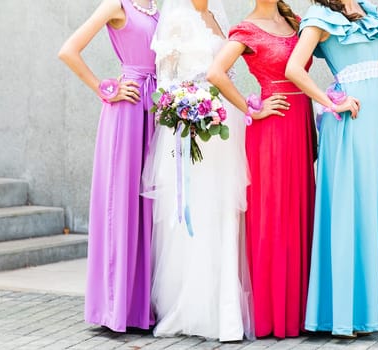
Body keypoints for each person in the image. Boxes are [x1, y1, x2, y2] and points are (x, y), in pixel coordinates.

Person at [285, 0, 378, 338]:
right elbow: (294, 68)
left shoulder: (371, 13)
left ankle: (373, 307)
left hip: (376, 127)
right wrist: (331, 102)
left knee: (373, 207)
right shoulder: (320, 16)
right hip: (349, 123)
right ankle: (343, 314)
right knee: (350, 211)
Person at [141, 0, 253, 341]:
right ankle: (193, 309)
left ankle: (226, 311)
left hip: (226, 126)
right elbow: (165, 84)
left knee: (223, 212)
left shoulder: (218, 15)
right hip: (192, 128)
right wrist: (185, 109)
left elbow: (228, 71)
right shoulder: (175, 19)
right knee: (196, 213)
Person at [207, 0, 316, 339]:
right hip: (273, 128)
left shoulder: (294, 20)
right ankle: (273, 315)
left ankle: (302, 311)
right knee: (275, 215)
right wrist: (252, 109)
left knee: (300, 212)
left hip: (300, 122)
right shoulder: (246, 29)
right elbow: (215, 73)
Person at [58, 0, 158, 332]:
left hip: (156, 109)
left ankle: (140, 307)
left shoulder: (159, 8)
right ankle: (114, 308)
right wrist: (106, 88)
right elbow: (69, 51)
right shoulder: (117, 5)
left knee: (147, 211)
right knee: (122, 205)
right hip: (127, 111)